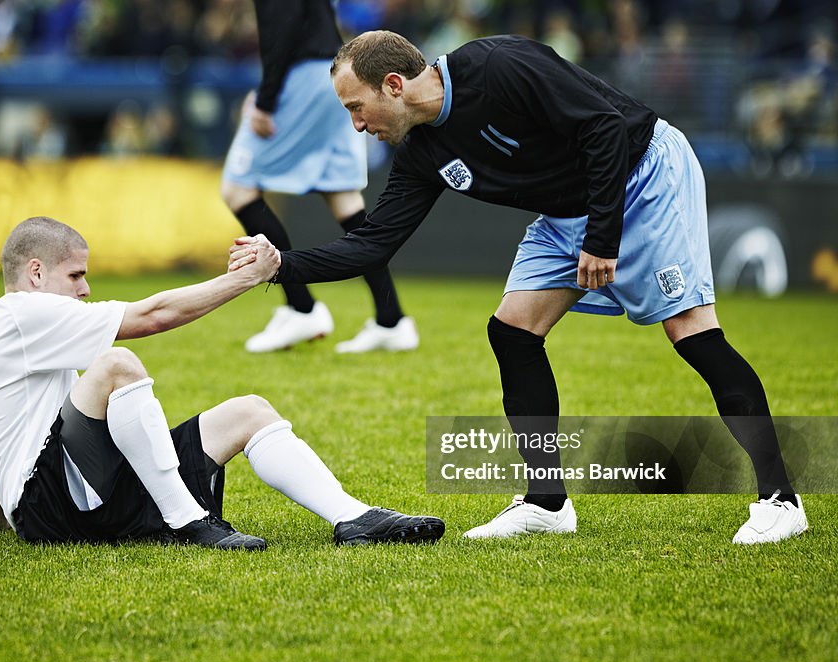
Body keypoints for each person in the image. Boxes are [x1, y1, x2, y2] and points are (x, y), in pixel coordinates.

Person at [230, 31, 808, 545]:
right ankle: (547, 503)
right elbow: (372, 245)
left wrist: (603, 238)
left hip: (643, 174)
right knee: (511, 331)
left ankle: (781, 499)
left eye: (357, 108)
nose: (357, 125)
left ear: (394, 84)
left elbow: (604, 126)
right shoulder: (421, 154)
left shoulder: (497, 65)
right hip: (566, 212)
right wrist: (278, 266)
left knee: (691, 333)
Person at [0, 216, 444, 550]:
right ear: (36, 273)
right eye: (76, 275)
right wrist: (246, 278)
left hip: (73, 500)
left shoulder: (15, 332)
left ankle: (352, 517)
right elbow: (154, 315)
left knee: (250, 411)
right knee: (117, 365)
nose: (85, 289)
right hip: (53, 509)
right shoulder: (21, 313)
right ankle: (189, 521)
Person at [220, 0, 418, 354]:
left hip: (300, 77)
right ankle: (392, 319)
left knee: (238, 189)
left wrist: (265, 100)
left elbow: (284, 27)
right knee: (344, 200)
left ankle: (302, 307)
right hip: (328, 75)